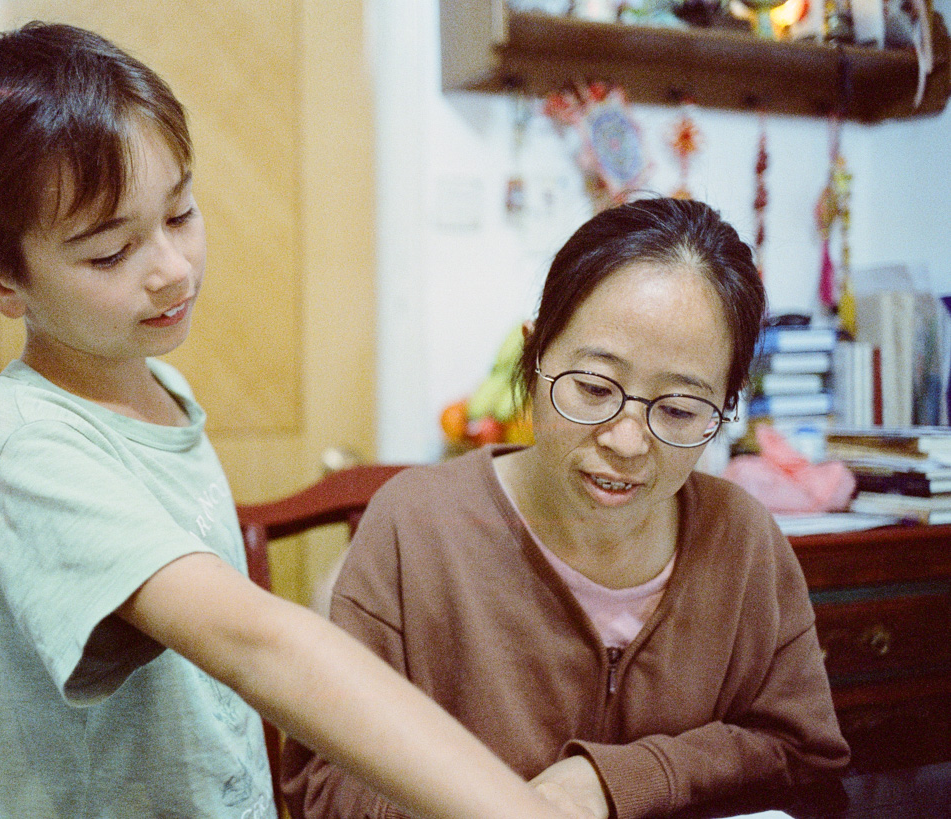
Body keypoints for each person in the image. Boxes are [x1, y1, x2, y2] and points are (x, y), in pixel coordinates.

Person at [0, 21, 588, 819]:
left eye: (180, 213)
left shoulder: (151, 383)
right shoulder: (28, 445)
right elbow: (253, 644)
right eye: (109, 252)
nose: (171, 268)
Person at [281, 197, 852, 819]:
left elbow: (804, 751)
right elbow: (325, 788)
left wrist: (612, 782)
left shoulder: (742, 538)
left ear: (726, 406)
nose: (627, 442)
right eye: (594, 388)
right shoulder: (415, 528)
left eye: (680, 410)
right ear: (532, 359)